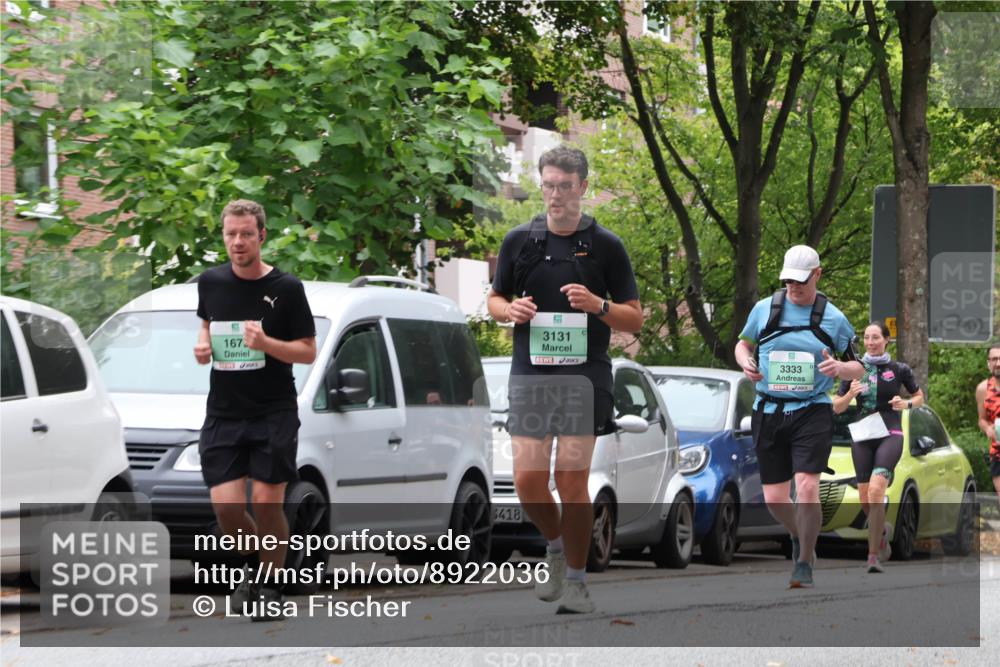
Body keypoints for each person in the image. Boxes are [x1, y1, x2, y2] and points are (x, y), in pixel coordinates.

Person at [487, 146, 642, 614]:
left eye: (565, 187)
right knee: (528, 481)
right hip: (532, 374)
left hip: (583, 378)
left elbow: (633, 319)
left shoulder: (606, 245)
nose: (555, 196)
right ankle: (555, 548)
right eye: (548, 185)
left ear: (583, 188)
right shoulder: (519, 241)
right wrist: (508, 311)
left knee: (570, 481)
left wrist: (598, 305)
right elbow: (495, 299)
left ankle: (576, 580)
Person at [193, 199, 317, 621]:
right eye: (231, 234)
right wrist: (202, 344)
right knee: (227, 509)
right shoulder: (210, 282)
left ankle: (270, 585)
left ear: (262, 236)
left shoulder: (287, 289)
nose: (238, 241)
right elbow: (207, 323)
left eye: (246, 234)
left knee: (267, 504)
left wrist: (267, 345)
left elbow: (307, 351)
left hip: (273, 410)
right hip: (225, 411)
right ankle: (259, 567)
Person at [734, 245, 864, 588]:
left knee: (807, 487)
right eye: (788, 281)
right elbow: (743, 344)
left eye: (801, 282)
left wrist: (840, 367)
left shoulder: (834, 318)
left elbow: (859, 366)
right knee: (775, 498)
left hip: (813, 410)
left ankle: (804, 561)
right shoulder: (766, 309)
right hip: (768, 409)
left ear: (817, 275)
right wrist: (745, 362)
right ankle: (797, 535)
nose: (793, 287)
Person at [832, 321, 923, 573]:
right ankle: (881, 531)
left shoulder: (899, 369)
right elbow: (836, 407)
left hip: (890, 433)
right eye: (867, 338)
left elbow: (919, 397)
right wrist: (850, 394)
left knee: (875, 491)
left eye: (875, 337)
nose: (871, 342)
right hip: (862, 435)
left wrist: (905, 404)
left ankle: (873, 555)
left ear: (886, 339)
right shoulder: (854, 369)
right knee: (865, 497)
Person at [975, 344, 1000, 502]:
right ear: (988, 363)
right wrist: (988, 429)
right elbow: (982, 420)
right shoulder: (983, 389)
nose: (998, 363)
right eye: (994, 359)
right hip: (998, 453)